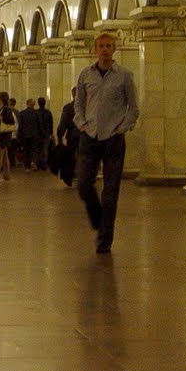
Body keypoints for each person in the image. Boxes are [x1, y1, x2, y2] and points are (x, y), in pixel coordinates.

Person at [74, 32, 139, 254]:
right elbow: (78, 104)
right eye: (101, 46)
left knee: (111, 191)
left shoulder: (124, 76)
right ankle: (98, 218)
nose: (104, 49)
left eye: (108, 46)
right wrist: (81, 123)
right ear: (95, 49)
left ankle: (104, 239)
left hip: (113, 139)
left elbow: (133, 107)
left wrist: (122, 128)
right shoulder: (85, 75)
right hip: (89, 136)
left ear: (114, 49)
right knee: (83, 183)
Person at [55, 88, 79, 186]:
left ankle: (68, 178)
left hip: (73, 135)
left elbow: (63, 123)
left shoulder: (68, 107)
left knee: (70, 157)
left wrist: (60, 136)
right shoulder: (89, 106)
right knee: (87, 157)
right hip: (87, 135)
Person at [17, 98, 43, 170]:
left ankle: (27, 166)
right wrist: (41, 134)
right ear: (34, 104)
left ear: (27, 104)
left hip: (25, 135)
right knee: (34, 150)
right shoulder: (37, 113)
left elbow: (20, 126)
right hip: (35, 135)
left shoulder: (22, 113)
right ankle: (34, 162)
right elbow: (39, 125)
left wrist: (19, 135)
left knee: (26, 150)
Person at [37, 97, 54, 170]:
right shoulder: (48, 112)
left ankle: (39, 164)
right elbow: (51, 123)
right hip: (46, 133)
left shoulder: (36, 112)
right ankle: (44, 164)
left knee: (38, 149)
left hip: (38, 133)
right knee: (45, 149)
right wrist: (51, 132)